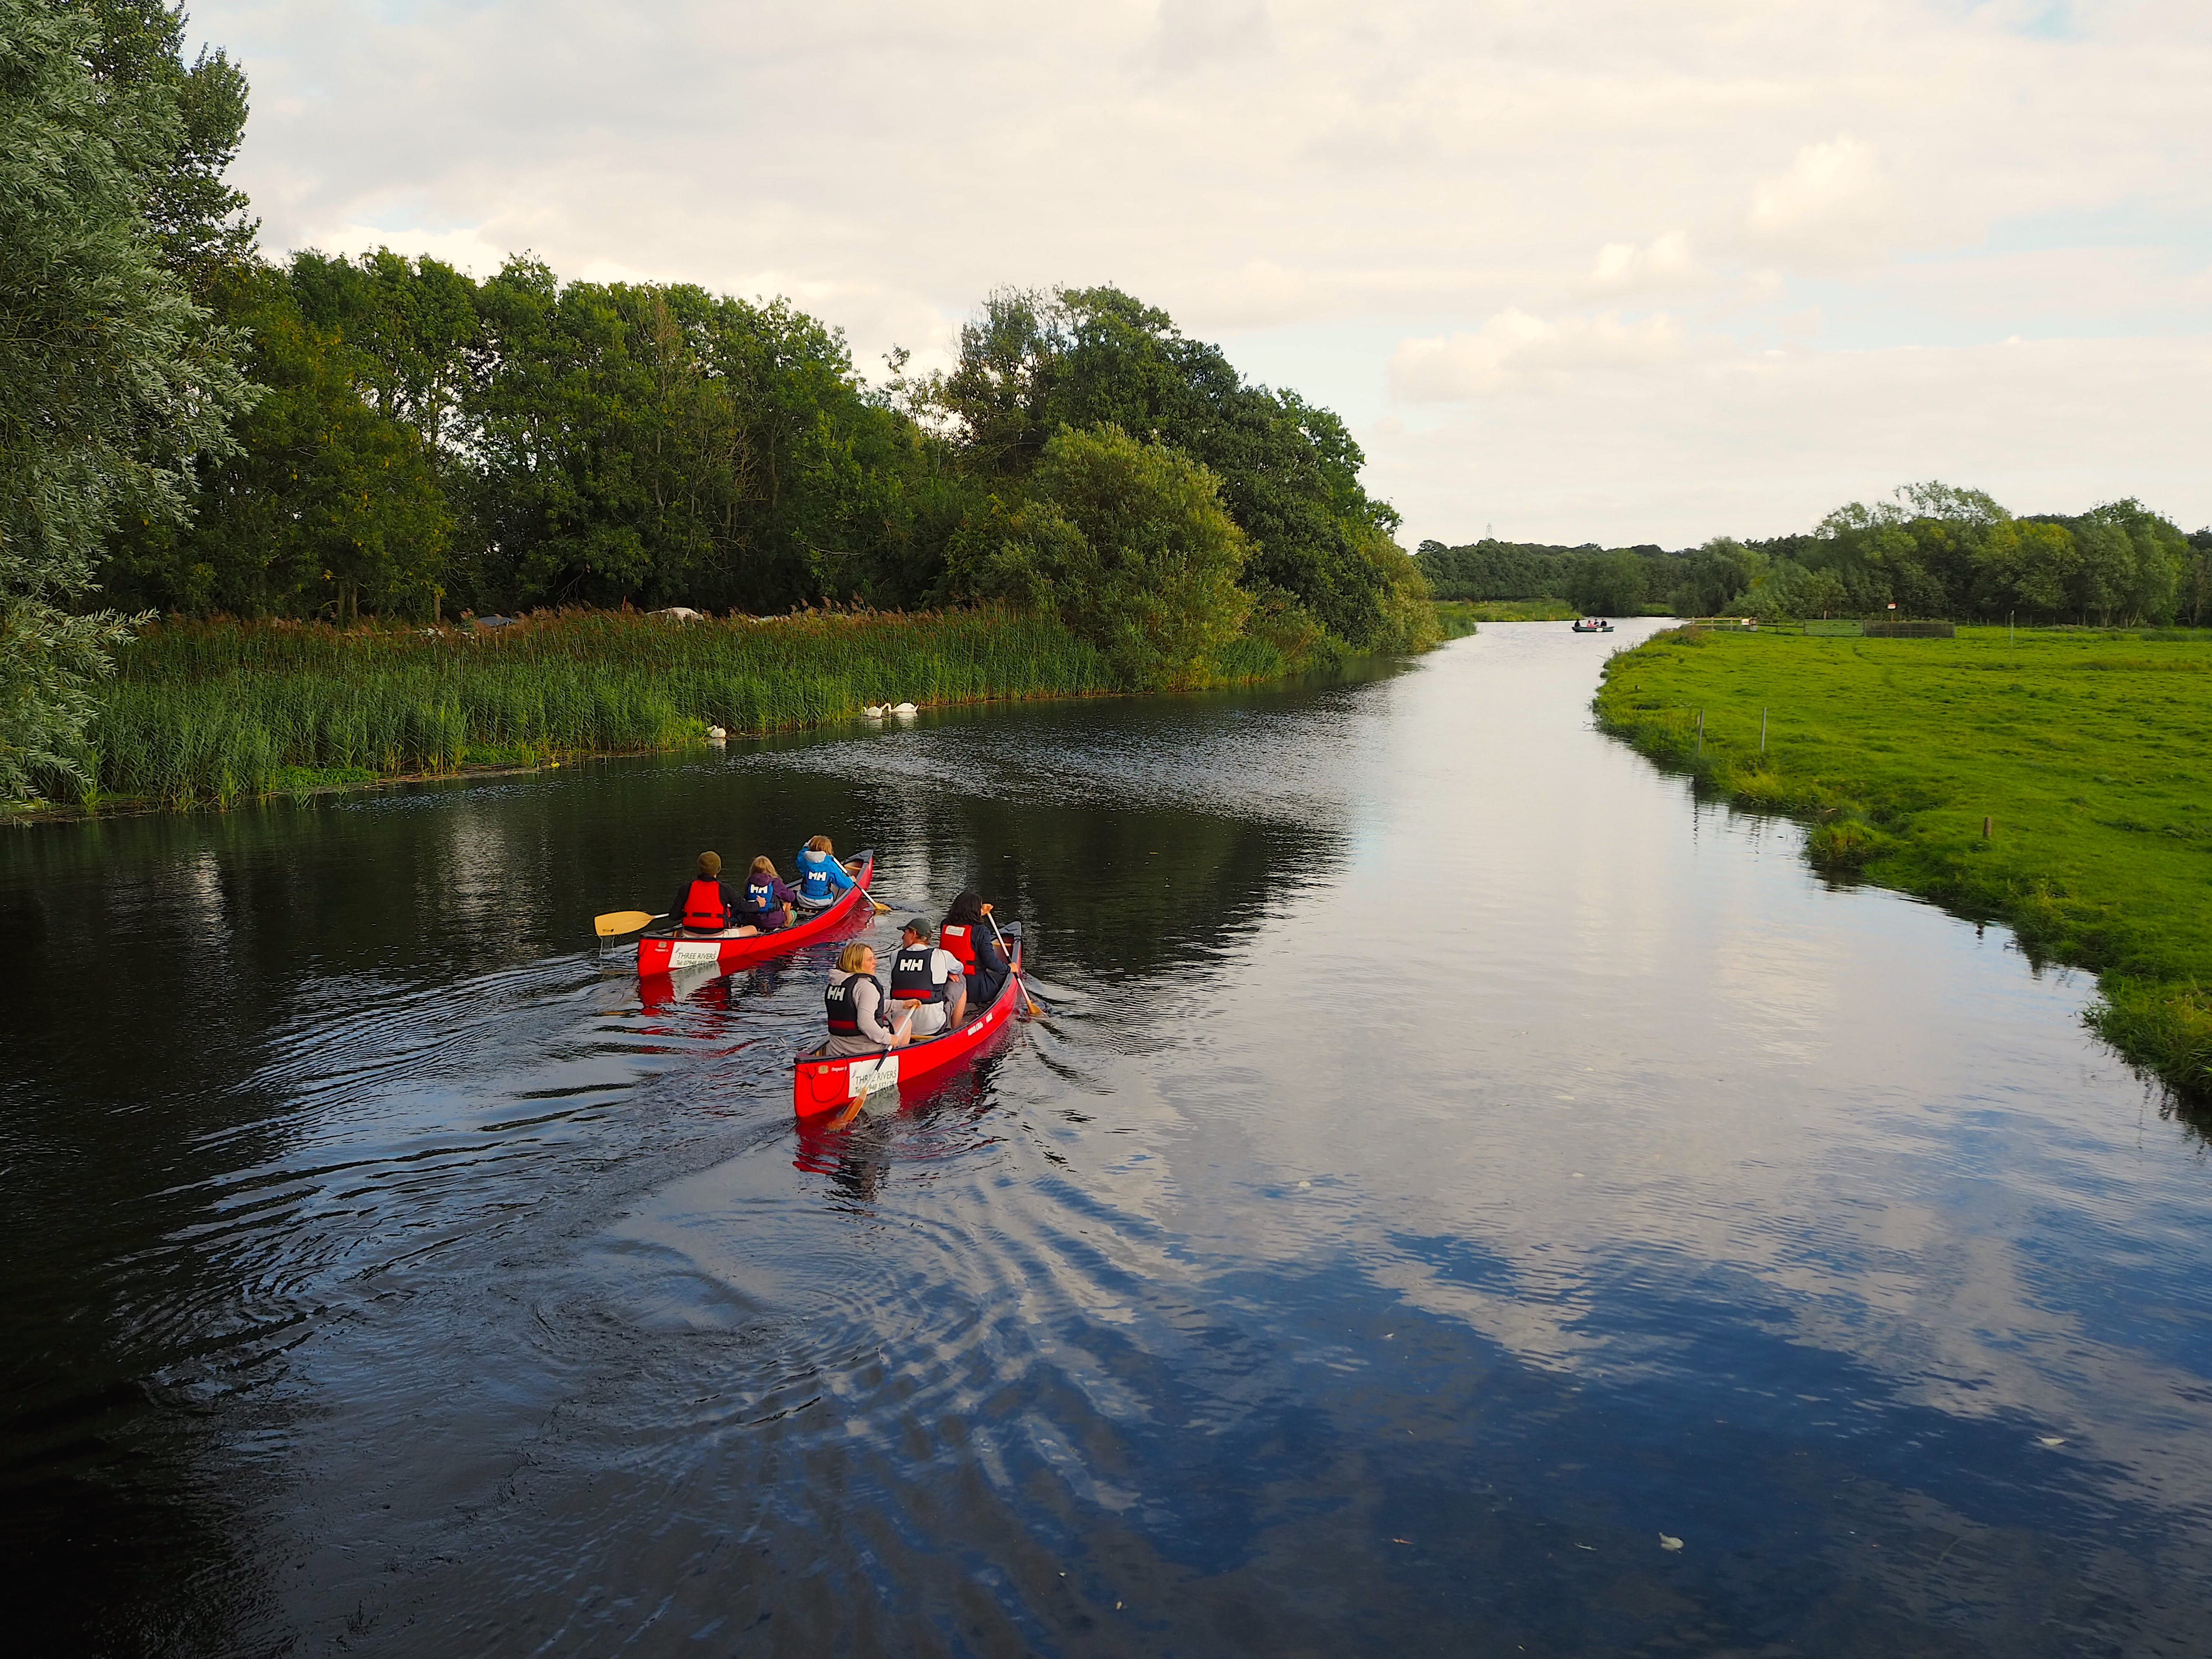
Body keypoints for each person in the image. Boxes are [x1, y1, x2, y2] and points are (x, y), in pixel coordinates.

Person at [823, 941, 912, 1058]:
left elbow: (866, 1007)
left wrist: (902, 1004)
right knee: (906, 1021)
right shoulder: (865, 987)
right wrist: (889, 1039)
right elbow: (865, 1023)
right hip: (864, 1050)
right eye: (870, 960)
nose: (875, 962)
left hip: (837, 1050)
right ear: (856, 963)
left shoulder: (835, 984)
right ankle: (900, 1058)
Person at [888, 917, 967, 1038]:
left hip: (900, 1024)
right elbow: (959, 969)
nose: (903, 937)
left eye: (905, 933)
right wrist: (946, 971)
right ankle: (956, 1029)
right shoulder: (941, 955)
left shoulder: (895, 955)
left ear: (914, 934)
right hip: (932, 1026)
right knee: (960, 979)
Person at [940, 890, 1011, 1009]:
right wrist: (1010, 968)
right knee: (1005, 973)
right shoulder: (981, 932)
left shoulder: (945, 925)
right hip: (977, 989)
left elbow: (963, 922)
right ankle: (990, 1003)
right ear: (974, 911)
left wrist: (981, 911)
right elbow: (991, 963)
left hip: (950, 984)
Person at [670, 852, 745, 935]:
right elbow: (743, 906)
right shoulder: (724, 889)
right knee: (752, 929)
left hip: (689, 934)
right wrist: (758, 904)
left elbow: (674, 916)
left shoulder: (687, 888)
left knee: (677, 932)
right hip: (716, 935)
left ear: (700, 867)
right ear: (718, 869)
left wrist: (687, 913)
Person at [793, 835, 857, 911]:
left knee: (793, 894)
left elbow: (801, 854)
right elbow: (843, 884)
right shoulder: (830, 864)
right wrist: (850, 880)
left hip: (803, 900)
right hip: (824, 903)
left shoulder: (804, 860)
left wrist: (808, 844)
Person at [739, 855, 798, 933]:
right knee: (788, 903)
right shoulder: (775, 882)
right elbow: (791, 897)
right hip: (772, 922)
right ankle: (787, 923)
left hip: (752, 920)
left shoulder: (749, 882)